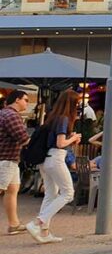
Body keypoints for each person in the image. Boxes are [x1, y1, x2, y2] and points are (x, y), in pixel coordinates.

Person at [27, 89, 81, 244]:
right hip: (56, 158)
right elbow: (60, 143)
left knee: (51, 194)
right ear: (71, 103)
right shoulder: (64, 119)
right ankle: (37, 223)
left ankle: (44, 233)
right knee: (68, 193)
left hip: (46, 159)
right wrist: (73, 138)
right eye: (76, 103)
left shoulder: (53, 118)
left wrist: (70, 138)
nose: (78, 106)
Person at [0, 90, 30, 235]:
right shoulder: (12, 115)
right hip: (5, 159)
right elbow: (23, 138)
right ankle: (13, 224)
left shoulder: (4, 113)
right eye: (25, 99)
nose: (27, 103)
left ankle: (14, 224)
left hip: (10, 158)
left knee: (12, 190)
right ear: (17, 100)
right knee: (3, 190)